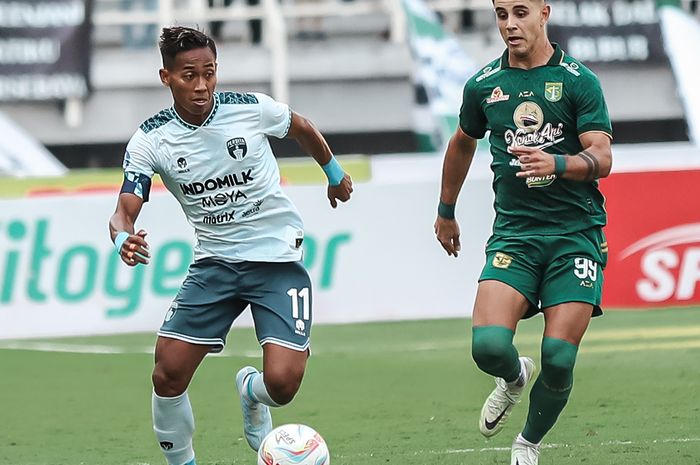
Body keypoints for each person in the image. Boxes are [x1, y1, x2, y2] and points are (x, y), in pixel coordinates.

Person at [108, 26, 353, 465]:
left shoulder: (250, 109)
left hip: (275, 259)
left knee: (282, 385)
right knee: (167, 372)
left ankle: (250, 391)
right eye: (188, 75)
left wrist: (333, 173)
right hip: (215, 264)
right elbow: (125, 207)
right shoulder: (151, 139)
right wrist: (124, 237)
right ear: (166, 77)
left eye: (209, 73)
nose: (201, 85)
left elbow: (301, 127)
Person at [433, 1, 612, 464]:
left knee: (558, 357)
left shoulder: (578, 81)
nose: (509, 24)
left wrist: (558, 163)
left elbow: (603, 158)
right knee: (489, 347)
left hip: (576, 234)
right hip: (516, 234)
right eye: (500, 14)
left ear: (544, 13)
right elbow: (461, 142)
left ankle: (527, 444)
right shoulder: (484, 86)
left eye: (520, 12)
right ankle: (514, 378)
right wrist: (446, 211)